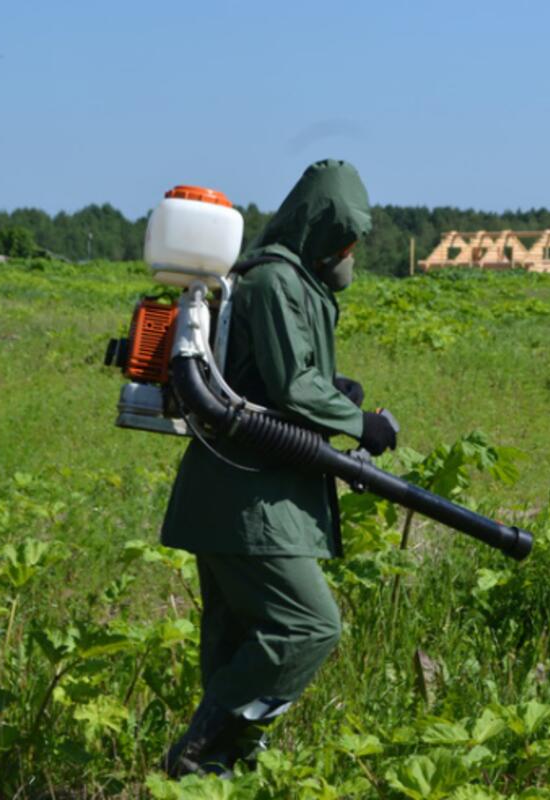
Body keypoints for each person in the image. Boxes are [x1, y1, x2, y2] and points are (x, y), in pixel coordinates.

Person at [157, 159, 399, 777]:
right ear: (319, 228)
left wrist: (336, 392)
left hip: (242, 499)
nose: (349, 252)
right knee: (309, 625)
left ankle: (217, 776)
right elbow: (291, 386)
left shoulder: (293, 286)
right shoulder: (273, 283)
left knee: (236, 644)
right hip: (247, 503)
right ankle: (201, 748)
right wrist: (360, 425)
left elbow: (272, 378)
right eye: (345, 237)